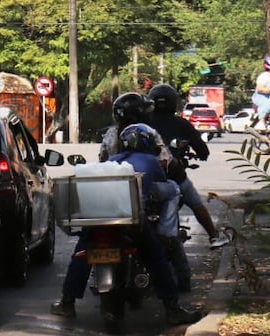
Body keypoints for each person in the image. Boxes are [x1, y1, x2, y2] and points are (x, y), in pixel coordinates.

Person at [52, 123, 204, 326]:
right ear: (148, 143)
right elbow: (162, 188)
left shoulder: (113, 160)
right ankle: (172, 308)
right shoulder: (152, 160)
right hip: (131, 221)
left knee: (82, 253)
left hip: (100, 220)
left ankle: (67, 302)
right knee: (156, 256)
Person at [146, 83, 230, 251]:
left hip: (145, 178)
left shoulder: (143, 123)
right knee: (195, 202)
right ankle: (213, 236)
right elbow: (203, 151)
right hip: (173, 175)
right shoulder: (182, 124)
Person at [250, 55, 270, 128]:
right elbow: (260, 88)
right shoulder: (264, 76)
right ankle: (262, 121)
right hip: (262, 97)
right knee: (269, 105)